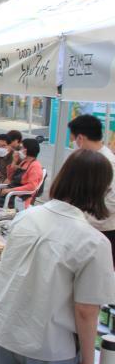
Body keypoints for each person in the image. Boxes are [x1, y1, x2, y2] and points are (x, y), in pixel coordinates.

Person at [0, 149, 115, 364]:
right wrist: (87, 363)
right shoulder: (93, 242)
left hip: (7, 331)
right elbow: (86, 310)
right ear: (100, 189)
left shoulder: (27, 217)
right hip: (49, 344)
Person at [68, 114, 115, 268]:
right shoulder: (90, 158)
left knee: (98, 274)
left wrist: (85, 219)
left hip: (103, 230)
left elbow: (112, 202)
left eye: (73, 139)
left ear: (80, 138)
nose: (74, 144)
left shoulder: (108, 163)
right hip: (88, 226)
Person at [0, 138, 44, 208]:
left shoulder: (35, 166)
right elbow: (10, 177)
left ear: (26, 150)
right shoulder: (24, 162)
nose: (19, 150)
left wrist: (9, 190)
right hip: (10, 194)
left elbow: (31, 186)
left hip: (18, 198)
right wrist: (14, 161)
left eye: (21, 148)